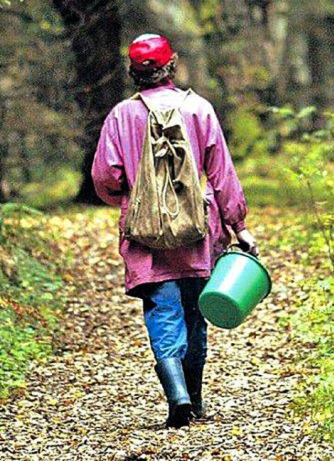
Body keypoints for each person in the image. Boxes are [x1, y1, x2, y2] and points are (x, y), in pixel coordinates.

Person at [91, 33, 257, 428]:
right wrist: (240, 227)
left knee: (162, 311)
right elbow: (222, 176)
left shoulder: (121, 116)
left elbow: (105, 176)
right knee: (196, 313)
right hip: (198, 234)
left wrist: (131, 199)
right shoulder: (199, 109)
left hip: (146, 239)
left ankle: (177, 397)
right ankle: (195, 399)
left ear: (134, 73)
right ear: (173, 65)